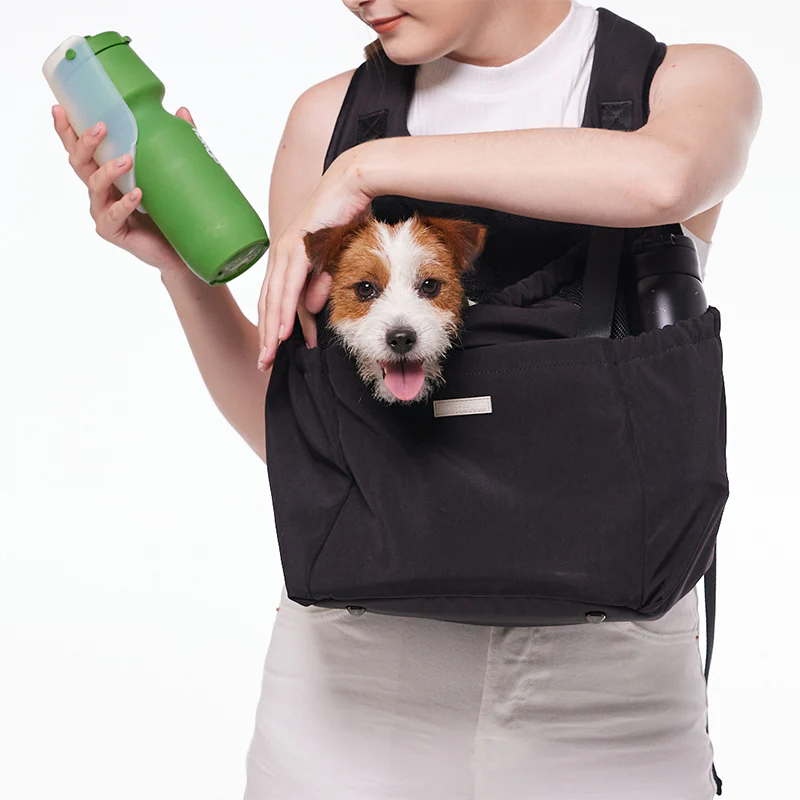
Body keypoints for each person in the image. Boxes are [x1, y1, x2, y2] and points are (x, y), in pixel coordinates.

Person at [51, 1, 761, 797]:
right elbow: (297, 436)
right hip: (354, 697)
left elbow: (659, 178)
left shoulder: (679, 81)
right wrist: (179, 267)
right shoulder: (326, 116)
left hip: (613, 702)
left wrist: (369, 169)